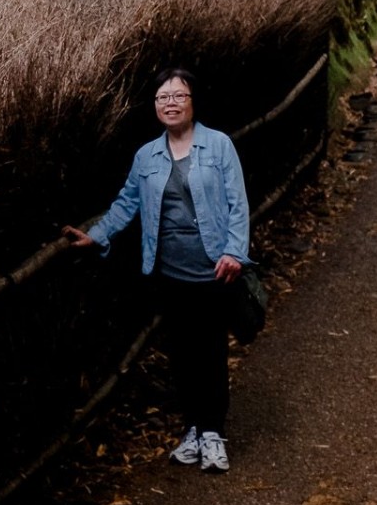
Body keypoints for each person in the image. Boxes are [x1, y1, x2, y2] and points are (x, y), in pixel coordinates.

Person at [63, 68, 249, 474]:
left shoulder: (218, 146)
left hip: (215, 269)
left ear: (192, 102)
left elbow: (238, 204)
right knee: (182, 355)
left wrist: (235, 252)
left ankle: (214, 432)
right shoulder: (146, 156)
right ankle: (194, 429)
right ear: (155, 107)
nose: (170, 103)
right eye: (163, 97)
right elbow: (126, 203)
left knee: (211, 352)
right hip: (169, 271)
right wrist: (97, 235)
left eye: (179, 96)